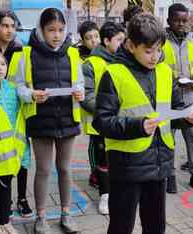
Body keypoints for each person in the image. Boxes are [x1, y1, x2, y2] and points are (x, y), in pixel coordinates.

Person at [92, 13, 193, 234]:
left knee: (155, 226)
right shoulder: (114, 74)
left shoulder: (164, 72)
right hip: (127, 167)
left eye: (159, 50)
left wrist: (187, 118)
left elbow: (175, 111)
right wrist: (138, 126)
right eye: (148, 51)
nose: (155, 57)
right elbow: (101, 122)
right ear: (131, 45)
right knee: (121, 226)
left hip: (159, 164)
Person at [15, 8, 84, 234]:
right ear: (41, 30)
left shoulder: (73, 54)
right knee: (43, 170)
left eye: (61, 30)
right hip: (40, 121)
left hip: (67, 119)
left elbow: (81, 83)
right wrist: (31, 94)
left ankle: (67, 214)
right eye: (51, 30)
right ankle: (41, 217)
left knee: (65, 169)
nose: (57, 35)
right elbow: (19, 87)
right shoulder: (26, 54)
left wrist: (80, 93)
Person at [0, 10, 33, 218]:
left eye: (13, 26)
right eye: (5, 26)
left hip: (16, 111)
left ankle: (22, 198)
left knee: (22, 157)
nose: (9, 30)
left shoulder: (21, 50)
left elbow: (26, 79)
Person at [81, 21, 125, 215]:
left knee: (118, 158)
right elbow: (86, 95)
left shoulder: (123, 60)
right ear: (106, 41)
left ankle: (118, 191)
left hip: (121, 121)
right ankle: (105, 196)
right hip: (99, 122)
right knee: (103, 159)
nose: (123, 44)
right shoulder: (91, 63)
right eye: (119, 40)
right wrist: (106, 112)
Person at [162, 3, 193, 194]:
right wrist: (173, 81)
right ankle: (169, 175)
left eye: (184, 20)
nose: (181, 24)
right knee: (168, 139)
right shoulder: (161, 42)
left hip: (190, 97)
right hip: (169, 99)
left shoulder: (191, 43)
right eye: (176, 20)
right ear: (169, 21)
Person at [0, 50, 27, 234]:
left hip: (10, 150)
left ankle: (5, 221)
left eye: (2, 64)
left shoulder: (12, 89)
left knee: (6, 187)